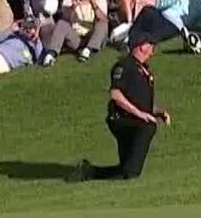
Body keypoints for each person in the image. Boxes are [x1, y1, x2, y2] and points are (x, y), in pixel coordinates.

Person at [73, 24, 170, 181]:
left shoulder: (144, 70)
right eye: (150, 45)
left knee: (125, 168)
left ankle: (90, 171)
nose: (153, 50)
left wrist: (156, 112)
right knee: (148, 127)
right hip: (122, 119)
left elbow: (140, 100)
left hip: (134, 118)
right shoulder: (125, 66)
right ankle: (131, 172)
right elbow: (116, 95)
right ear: (141, 46)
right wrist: (142, 115)